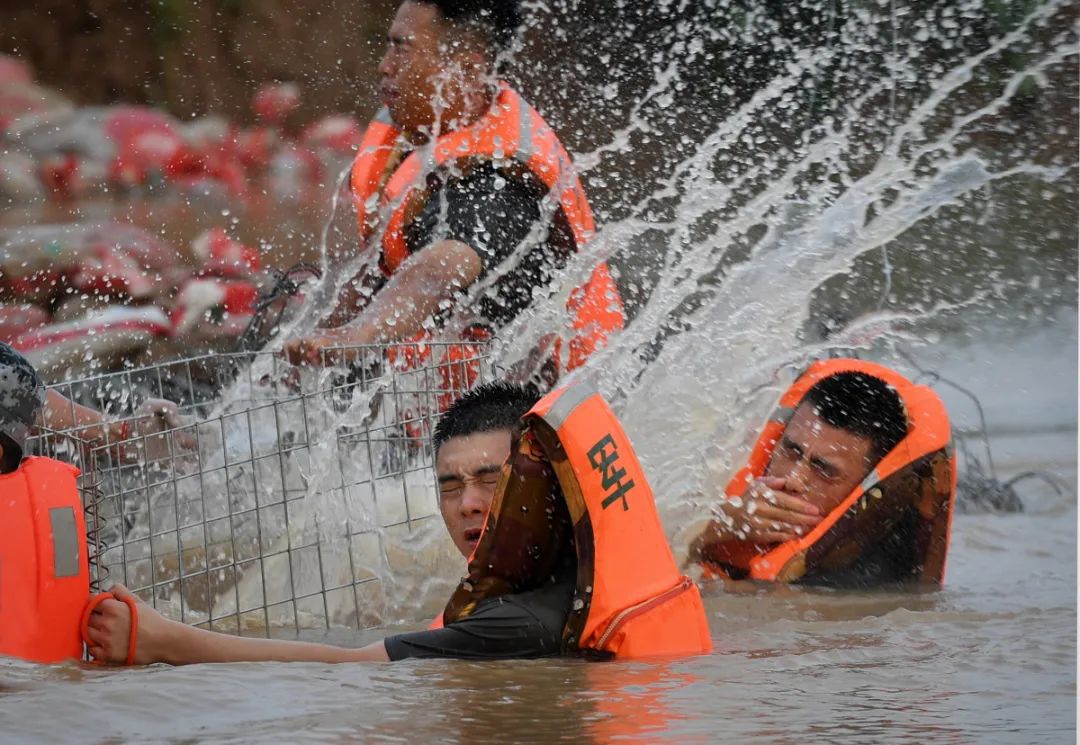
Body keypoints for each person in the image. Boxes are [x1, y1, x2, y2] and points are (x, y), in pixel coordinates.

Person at [84, 380, 712, 664]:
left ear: (544, 482)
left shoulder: (522, 622)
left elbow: (349, 668)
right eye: (450, 485)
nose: (468, 503)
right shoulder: (587, 577)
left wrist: (162, 642)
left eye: (492, 480)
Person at [284, 0, 624, 382]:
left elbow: (436, 272)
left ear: (467, 70)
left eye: (403, 48)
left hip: (557, 411)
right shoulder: (418, 132)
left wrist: (356, 335)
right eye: (388, 45)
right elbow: (376, 273)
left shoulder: (498, 183)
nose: (385, 65)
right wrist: (311, 343)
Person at [689, 359, 957, 586]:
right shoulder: (715, 478)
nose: (794, 478)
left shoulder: (883, 584)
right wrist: (716, 526)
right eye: (791, 451)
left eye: (824, 471)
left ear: (864, 489)